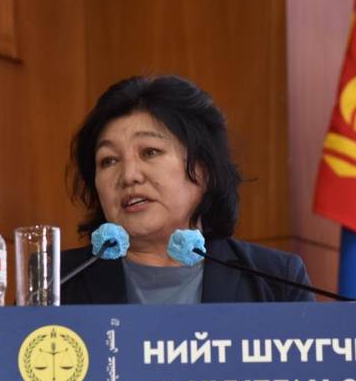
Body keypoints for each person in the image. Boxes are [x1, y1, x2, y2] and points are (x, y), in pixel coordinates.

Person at [62, 74, 313, 305]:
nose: (129, 176)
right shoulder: (57, 283)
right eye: (109, 160)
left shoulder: (275, 282)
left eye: (150, 152)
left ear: (204, 168)